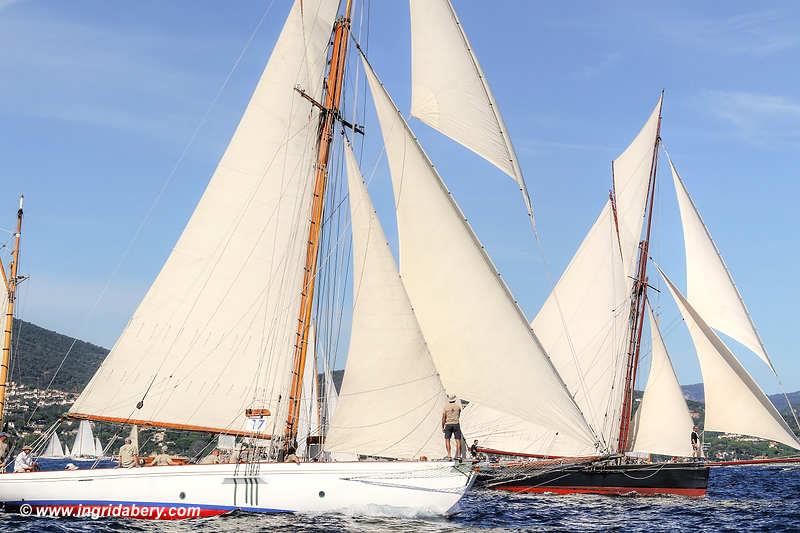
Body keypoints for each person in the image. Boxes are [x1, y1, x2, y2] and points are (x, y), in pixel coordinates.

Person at [442, 394, 462, 460]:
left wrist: (442, 426)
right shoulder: (458, 407)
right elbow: (459, 415)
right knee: (458, 440)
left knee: (447, 440)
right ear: (455, 399)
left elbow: (444, 418)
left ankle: (449, 455)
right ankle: (459, 455)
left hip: (448, 424)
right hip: (456, 424)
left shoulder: (446, 407)